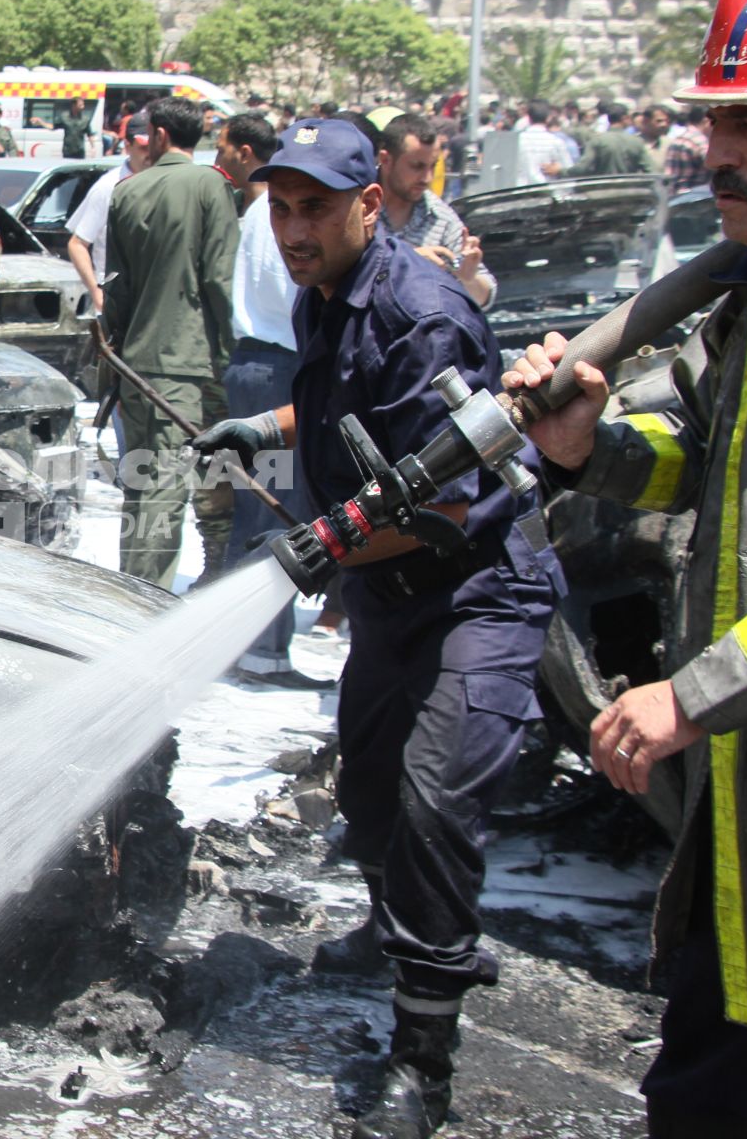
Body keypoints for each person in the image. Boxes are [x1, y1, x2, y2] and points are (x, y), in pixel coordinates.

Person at [506, 0, 747, 1139]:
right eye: (715, 116)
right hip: (744, 794)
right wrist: (588, 444)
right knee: (700, 1097)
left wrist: (690, 696)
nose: (716, 150)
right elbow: (691, 469)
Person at [194, 118, 559, 1139]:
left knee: (437, 801)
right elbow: (354, 412)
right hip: (394, 600)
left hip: (475, 592)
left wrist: (321, 548)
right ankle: (391, 920)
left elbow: (445, 501)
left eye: (314, 207)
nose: (293, 227)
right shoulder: (329, 295)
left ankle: (422, 1056)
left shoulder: (425, 315)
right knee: (366, 785)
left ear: (369, 204)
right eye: (280, 206)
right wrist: (264, 427)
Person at [212, 111, 330, 690]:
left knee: (254, 513)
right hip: (280, 373)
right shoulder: (286, 217)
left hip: (254, 366)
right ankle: (263, 652)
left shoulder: (264, 208)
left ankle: (238, 644)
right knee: (281, 516)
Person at [103, 96, 238, 588]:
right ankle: (145, 600)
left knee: (140, 483)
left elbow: (114, 288)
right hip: (183, 362)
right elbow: (220, 276)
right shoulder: (209, 185)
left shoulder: (127, 191)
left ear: (158, 135)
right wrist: (229, 354)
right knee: (165, 486)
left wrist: (114, 361)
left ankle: (128, 590)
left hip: (134, 360)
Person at [375, 114, 497, 307]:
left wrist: (468, 278)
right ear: (386, 160)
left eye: (433, 167)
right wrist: (405, 262)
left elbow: (484, 297)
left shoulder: (441, 217)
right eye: (417, 166)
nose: (427, 178)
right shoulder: (355, 206)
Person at [65, 111, 150, 310]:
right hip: (115, 296)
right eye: (143, 148)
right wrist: (96, 292)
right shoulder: (109, 187)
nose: (150, 154)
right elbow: (77, 244)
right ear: (128, 147)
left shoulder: (162, 182)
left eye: (154, 147)